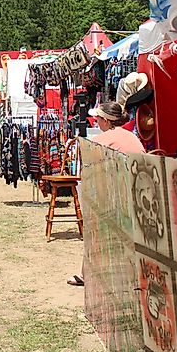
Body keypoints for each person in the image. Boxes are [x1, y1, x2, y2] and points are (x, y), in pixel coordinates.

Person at [67, 102, 144, 288]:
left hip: (118, 191)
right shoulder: (130, 135)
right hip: (138, 189)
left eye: (99, 118)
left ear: (106, 120)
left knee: (95, 228)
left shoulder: (105, 139)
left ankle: (87, 274)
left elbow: (91, 166)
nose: (97, 121)